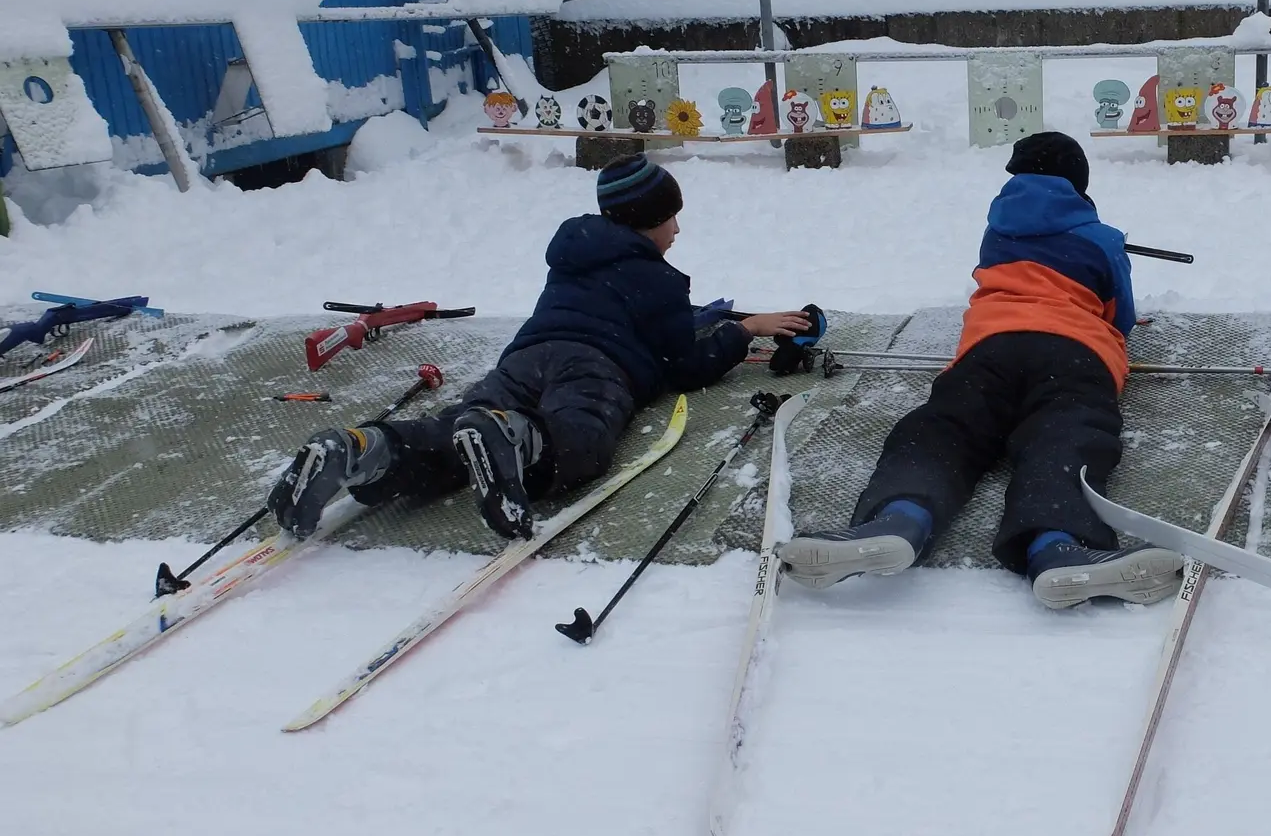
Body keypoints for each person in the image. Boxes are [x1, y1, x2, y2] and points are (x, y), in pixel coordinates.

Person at [269, 154, 811, 540]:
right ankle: (515, 440)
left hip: (525, 355)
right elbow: (685, 365)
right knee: (579, 436)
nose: (678, 229)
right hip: (598, 368)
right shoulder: (662, 280)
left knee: (455, 428)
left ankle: (365, 451)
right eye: (672, 217)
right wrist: (742, 332)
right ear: (649, 224)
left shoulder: (575, 254)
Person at [776, 131, 1183, 608]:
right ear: (1079, 184)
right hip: (1073, 351)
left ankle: (899, 518)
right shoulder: (1103, 240)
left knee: (944, 428)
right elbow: (1122, 318)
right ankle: (1056, 544)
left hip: (990, 347)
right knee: (1067, 435)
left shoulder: (997, 230)